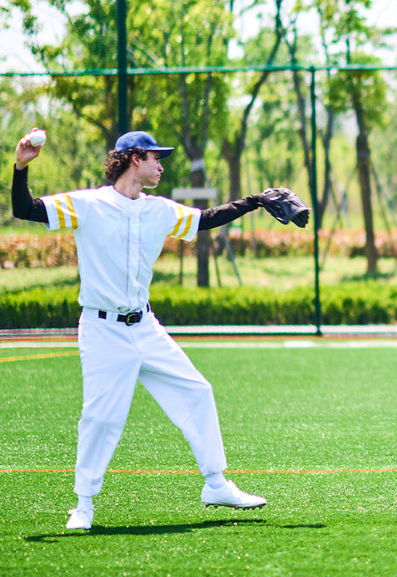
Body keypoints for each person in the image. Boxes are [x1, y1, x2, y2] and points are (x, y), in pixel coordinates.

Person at [12, 127, 280, 531]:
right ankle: (83, 505)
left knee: (197, 390)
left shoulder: (158, 209)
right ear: (135, 158)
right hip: (102, 330)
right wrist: (20, 168)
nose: (161, 164)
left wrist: (254, 202)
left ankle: (216, 484)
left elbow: (206, 219)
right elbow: (25, 209)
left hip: (145, 326)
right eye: (156, 157)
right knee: (101, 418)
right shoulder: (88, 204)